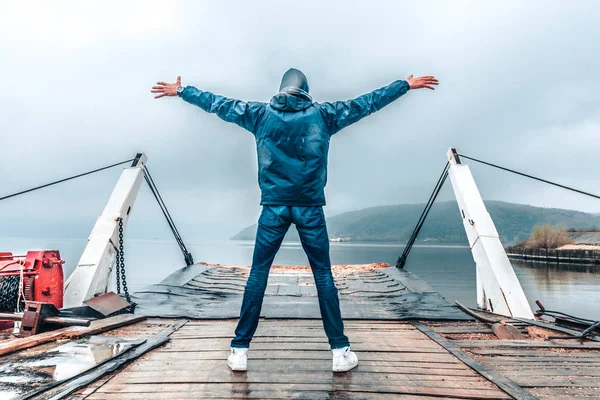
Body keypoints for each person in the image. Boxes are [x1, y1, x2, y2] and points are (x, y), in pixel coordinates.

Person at [152, 69, 438, 372]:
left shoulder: (259, 115)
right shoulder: (325, 115)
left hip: (273, 208)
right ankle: (340, 351)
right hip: (310, 208)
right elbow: (367, 103)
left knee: (258, 275)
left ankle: (239, 350)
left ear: (281, 90)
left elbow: (219, 104)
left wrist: (183, 92)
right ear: (306, 91)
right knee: (323, 276)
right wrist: (403, 85)